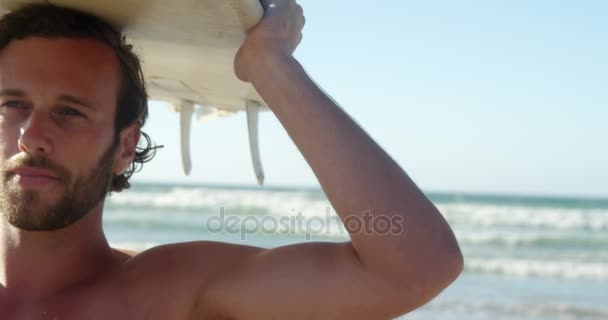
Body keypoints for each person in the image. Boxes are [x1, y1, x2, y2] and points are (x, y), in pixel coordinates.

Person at [0, 0, 463, 319]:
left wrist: (269, 65)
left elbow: (415, 268)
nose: (33, 136)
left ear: (124, 147)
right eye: (11, 105)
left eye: (70, 112)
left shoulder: (170, 294)